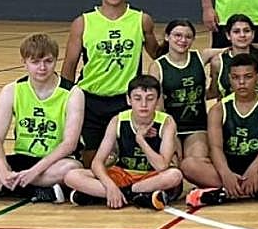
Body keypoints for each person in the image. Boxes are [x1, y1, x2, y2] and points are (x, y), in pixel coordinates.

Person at [61, 0, 157, 164]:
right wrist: (65, 100)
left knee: (125, 160)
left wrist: (175, 42)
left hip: (125, 100)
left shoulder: (141, 20)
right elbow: (69, 66)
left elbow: (157, 54)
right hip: (90, 100)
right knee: (92, 162)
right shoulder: (83, 22)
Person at [0, 33, 83, 203]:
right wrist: (3, 172)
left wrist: (34, 172)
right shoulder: (12, 90)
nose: (42, 67)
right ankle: (36, 191)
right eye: (35, 62)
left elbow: (69, 144)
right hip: (22, 158)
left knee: (72, 169)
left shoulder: (73, 93)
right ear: (24, 62)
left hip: (53, 162)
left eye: (48, 61)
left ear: (56, 60)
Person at [182, 53, 258, 205]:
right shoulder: (218, 109)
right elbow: (215, 148)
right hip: (228, 165)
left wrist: (253, 170)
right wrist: (225, 173)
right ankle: (254, 190)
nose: (241, 82)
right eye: (235, 77)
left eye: (248, 77)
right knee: (188, 165)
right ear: (229, 79)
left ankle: (223, 193)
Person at [64, 75, 182, 209]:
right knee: (72, 176)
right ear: (128, 99)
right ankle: (135, 196)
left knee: (175, 176)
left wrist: (141, 140)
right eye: (137, 98)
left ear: (158, 100)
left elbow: (161, 166)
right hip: (123, 174)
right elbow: (97, 162)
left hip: (152, 176)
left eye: (150, 99)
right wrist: (110, 186)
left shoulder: (166, 122)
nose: (144, 104)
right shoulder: (118, 120)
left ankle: (110, 195)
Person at [150, 20, 209, 168]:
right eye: (177, 35)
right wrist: (167, 133)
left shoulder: (200, 57)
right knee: (172, 166)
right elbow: (158, 107)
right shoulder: (157, 66)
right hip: (171, 126)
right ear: (167, 37)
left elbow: (234, 47)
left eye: (188, 37)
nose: (183, 40)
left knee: (196, 165)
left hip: (197, 126)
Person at [204, 13, 258, 98]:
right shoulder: (218, 62)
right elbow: (214, 92)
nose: (242, 35)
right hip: (231, 106)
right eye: (236, 32)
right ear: (228, 35)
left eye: (247, 31)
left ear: (253, 34)